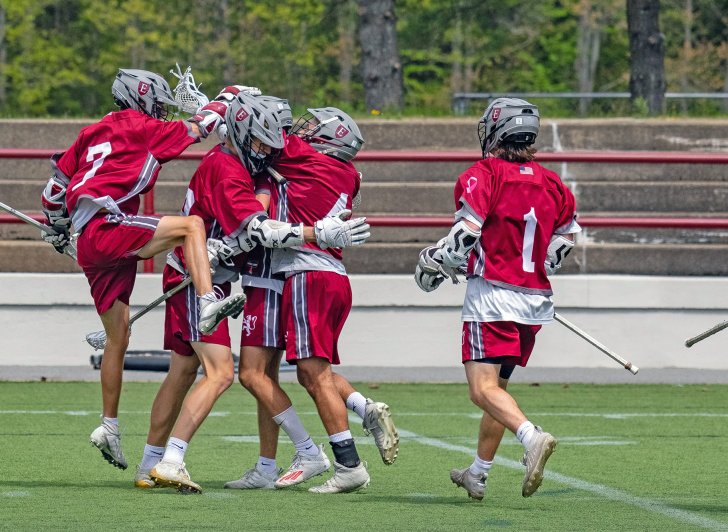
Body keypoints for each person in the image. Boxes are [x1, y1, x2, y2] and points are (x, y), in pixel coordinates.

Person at [135, 91, 370, 493]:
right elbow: (259, 228)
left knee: (182, 372)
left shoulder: (238, 158)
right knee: (222, 373)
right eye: (262, 141)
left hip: (205, 272)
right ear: (244, 134)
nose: (271, 148)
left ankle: (150, 463)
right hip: (198, 277)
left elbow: (251, 198)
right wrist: (317, 232)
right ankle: (173, 460)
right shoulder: (227, 169)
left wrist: (218, 100)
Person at [40, 68, 248, 471]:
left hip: (89, 242)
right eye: (156, 102)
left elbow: (53, 191)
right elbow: (201, 126)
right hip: (108, 228)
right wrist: (228, 95)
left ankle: (109, 425)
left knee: (118, 336)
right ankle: (208, 300)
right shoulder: (142, 127)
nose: (159, 110)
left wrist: (58, 227)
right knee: (192, 227)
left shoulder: (91, 131)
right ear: (140, 98)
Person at [224, 103, 399, 492]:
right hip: (331, 276)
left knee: (311, 374)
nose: (301, 133)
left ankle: (348, 464)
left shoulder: (307, 160)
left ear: (331, 139)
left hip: (309, 272)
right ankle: (360, 409)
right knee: (314, 371)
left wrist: (221, 106)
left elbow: (261, 133)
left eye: (313, 128)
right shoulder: (346, 173)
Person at [414, 97, 580, 501]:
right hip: (535, 300)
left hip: (492, 297)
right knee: (498, 387)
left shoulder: (483, 173)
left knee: (480, 388)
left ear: (495, 130)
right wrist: (537, 266)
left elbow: (466, 234)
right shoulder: (553, 182)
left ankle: (531, 436)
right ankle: (478, 472)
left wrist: (440, 262)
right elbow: (567, 238)